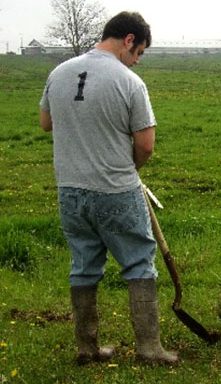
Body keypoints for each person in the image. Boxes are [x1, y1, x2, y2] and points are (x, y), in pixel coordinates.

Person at [39, 11, 178, 365]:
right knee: (138, 263)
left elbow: (45, 123)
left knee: (83, 265)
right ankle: (149, 349)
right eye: (139, 53)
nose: (137, 61)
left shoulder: (58, 73)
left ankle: (87, 347)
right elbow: (145, 145)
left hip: (70, 189)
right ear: (129, 40)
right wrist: (128, 169)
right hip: (116, 188)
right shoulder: (130, 82)